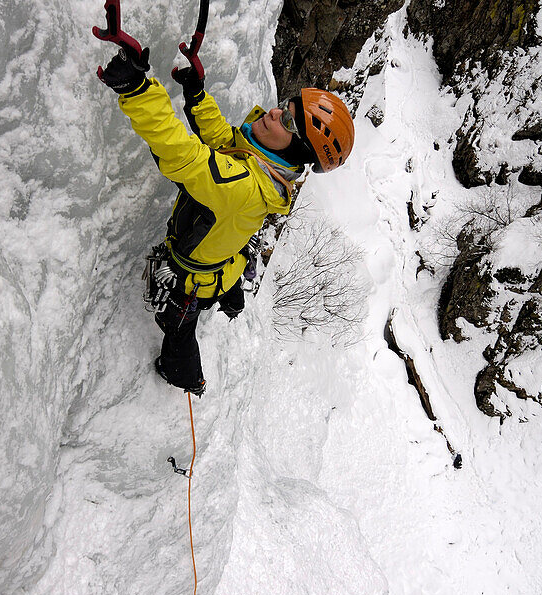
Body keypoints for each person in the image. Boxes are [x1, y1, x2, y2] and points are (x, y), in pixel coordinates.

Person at [100, 38, 355, 395]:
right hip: (223, 257)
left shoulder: (246, 187)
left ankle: (186, 378)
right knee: (225, 277)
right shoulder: (267, 162)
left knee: (176, 328)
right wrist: (196, 96)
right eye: (285, 107)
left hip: (192, 282)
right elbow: (225, 141)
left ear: (299, 150)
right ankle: (232, 299)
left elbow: (182, 154)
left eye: (289, 122)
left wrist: (139, 91)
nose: (274, 114)